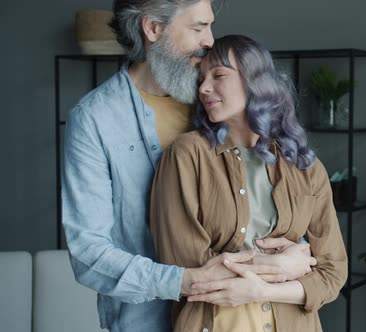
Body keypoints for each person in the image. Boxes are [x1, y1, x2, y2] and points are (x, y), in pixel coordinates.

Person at [62, 1, 313, 331]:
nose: (210, 40)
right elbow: (89, 255)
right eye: (198, 27)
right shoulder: (95, 120)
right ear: (153, 29)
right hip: (145, 323)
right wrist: (186, 281)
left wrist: (293, 255)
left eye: (209, 26)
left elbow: (272, 202)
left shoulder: (222, 100)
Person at [150, 35, 348, 332]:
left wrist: (264, 291)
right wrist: (284, 267)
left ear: (255, 81)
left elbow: (333, 273)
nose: (203, 88)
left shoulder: (306, 168)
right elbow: (188, 269)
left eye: (218, 75)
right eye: (201, 78)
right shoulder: (186, 156)